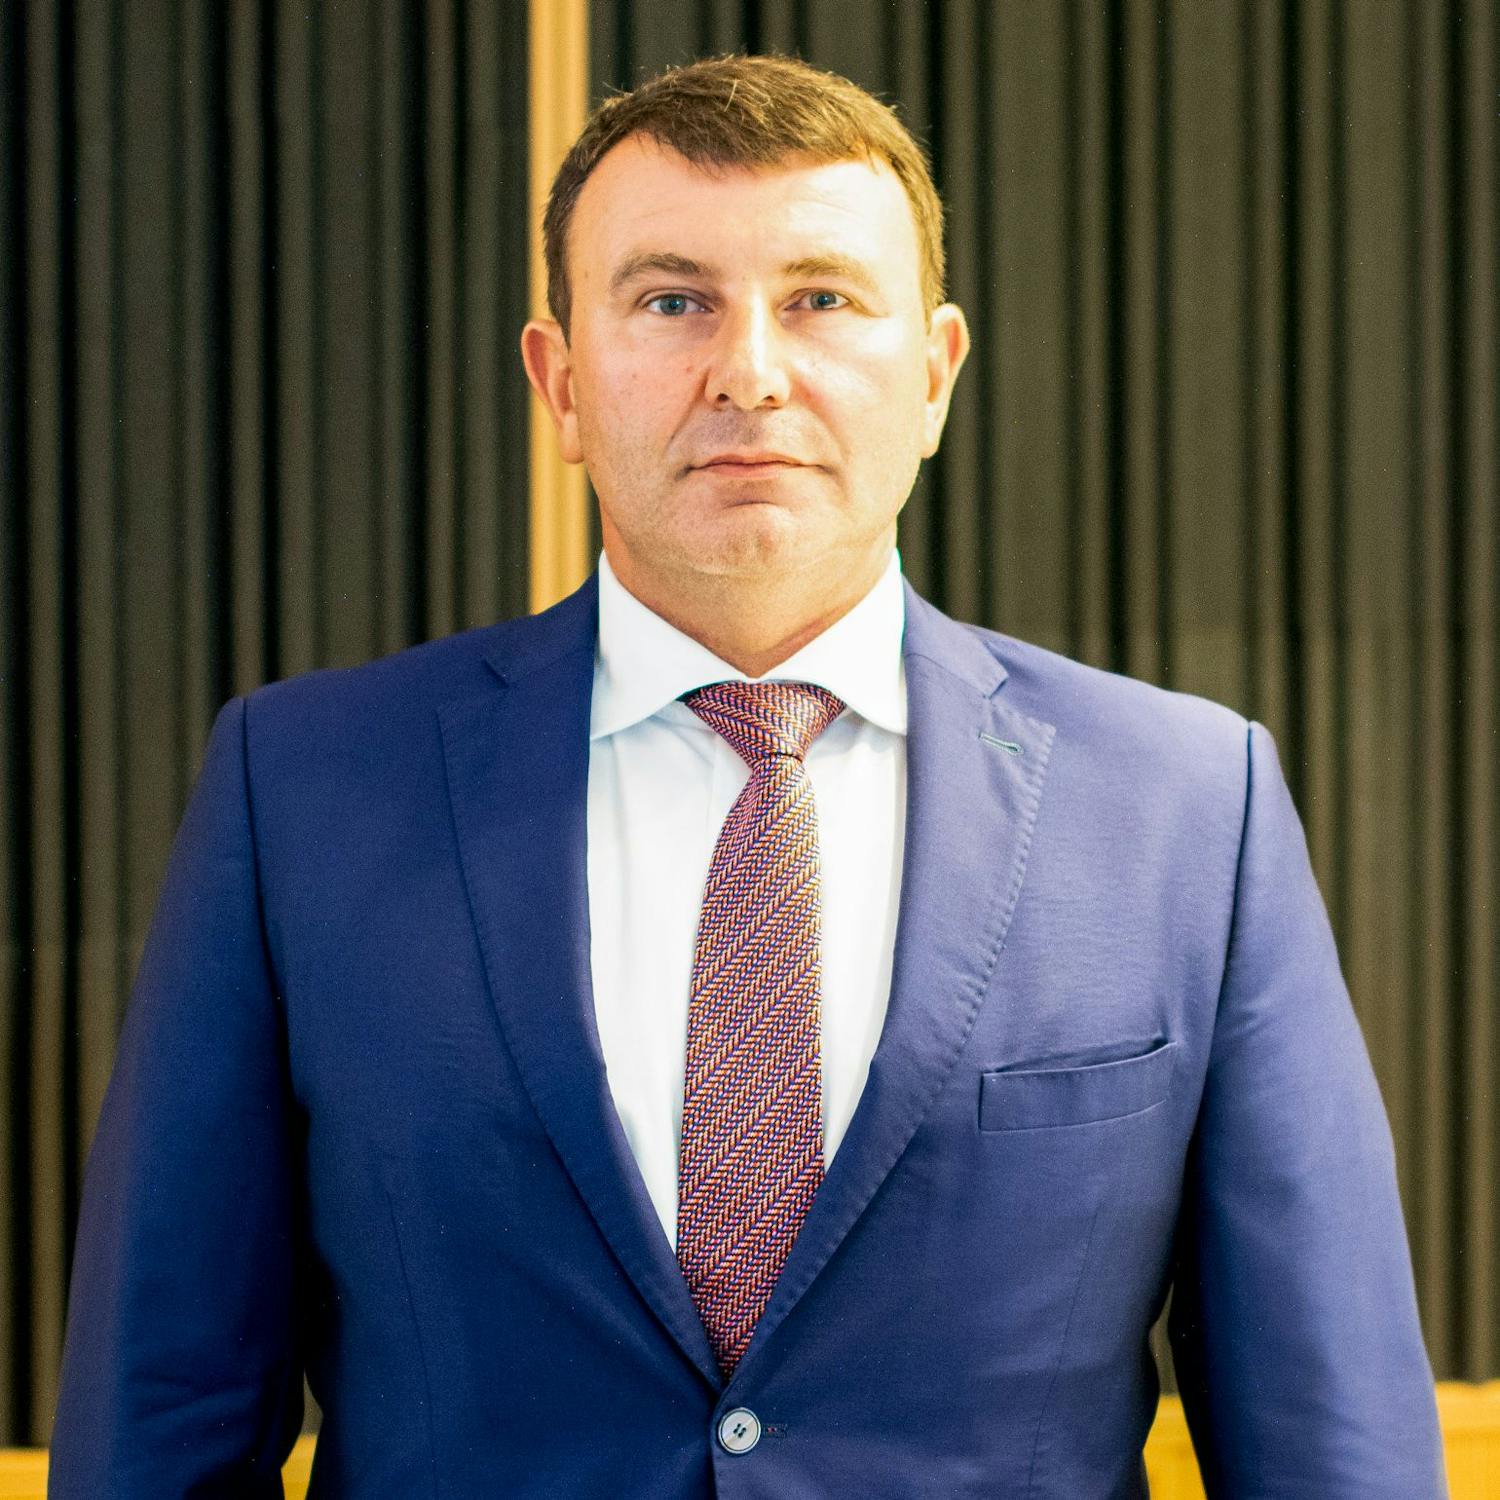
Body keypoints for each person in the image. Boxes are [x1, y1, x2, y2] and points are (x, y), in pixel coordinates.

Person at [48, 53, 1445, 1498]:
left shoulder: (1189, 808)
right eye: (674, 302)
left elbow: (1332, 1438)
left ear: (935, 375)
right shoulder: (304, 794)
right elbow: (161, 1413)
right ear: (561, 384)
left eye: (822, 299)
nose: (751, 372)